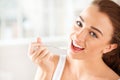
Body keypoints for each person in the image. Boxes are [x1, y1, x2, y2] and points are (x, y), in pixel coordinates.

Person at [28, 0, 120, 80]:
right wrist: (45, 72)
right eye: (79, 23)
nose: (78, 36)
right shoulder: (50, 64)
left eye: (93, 34)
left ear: (109, 47)